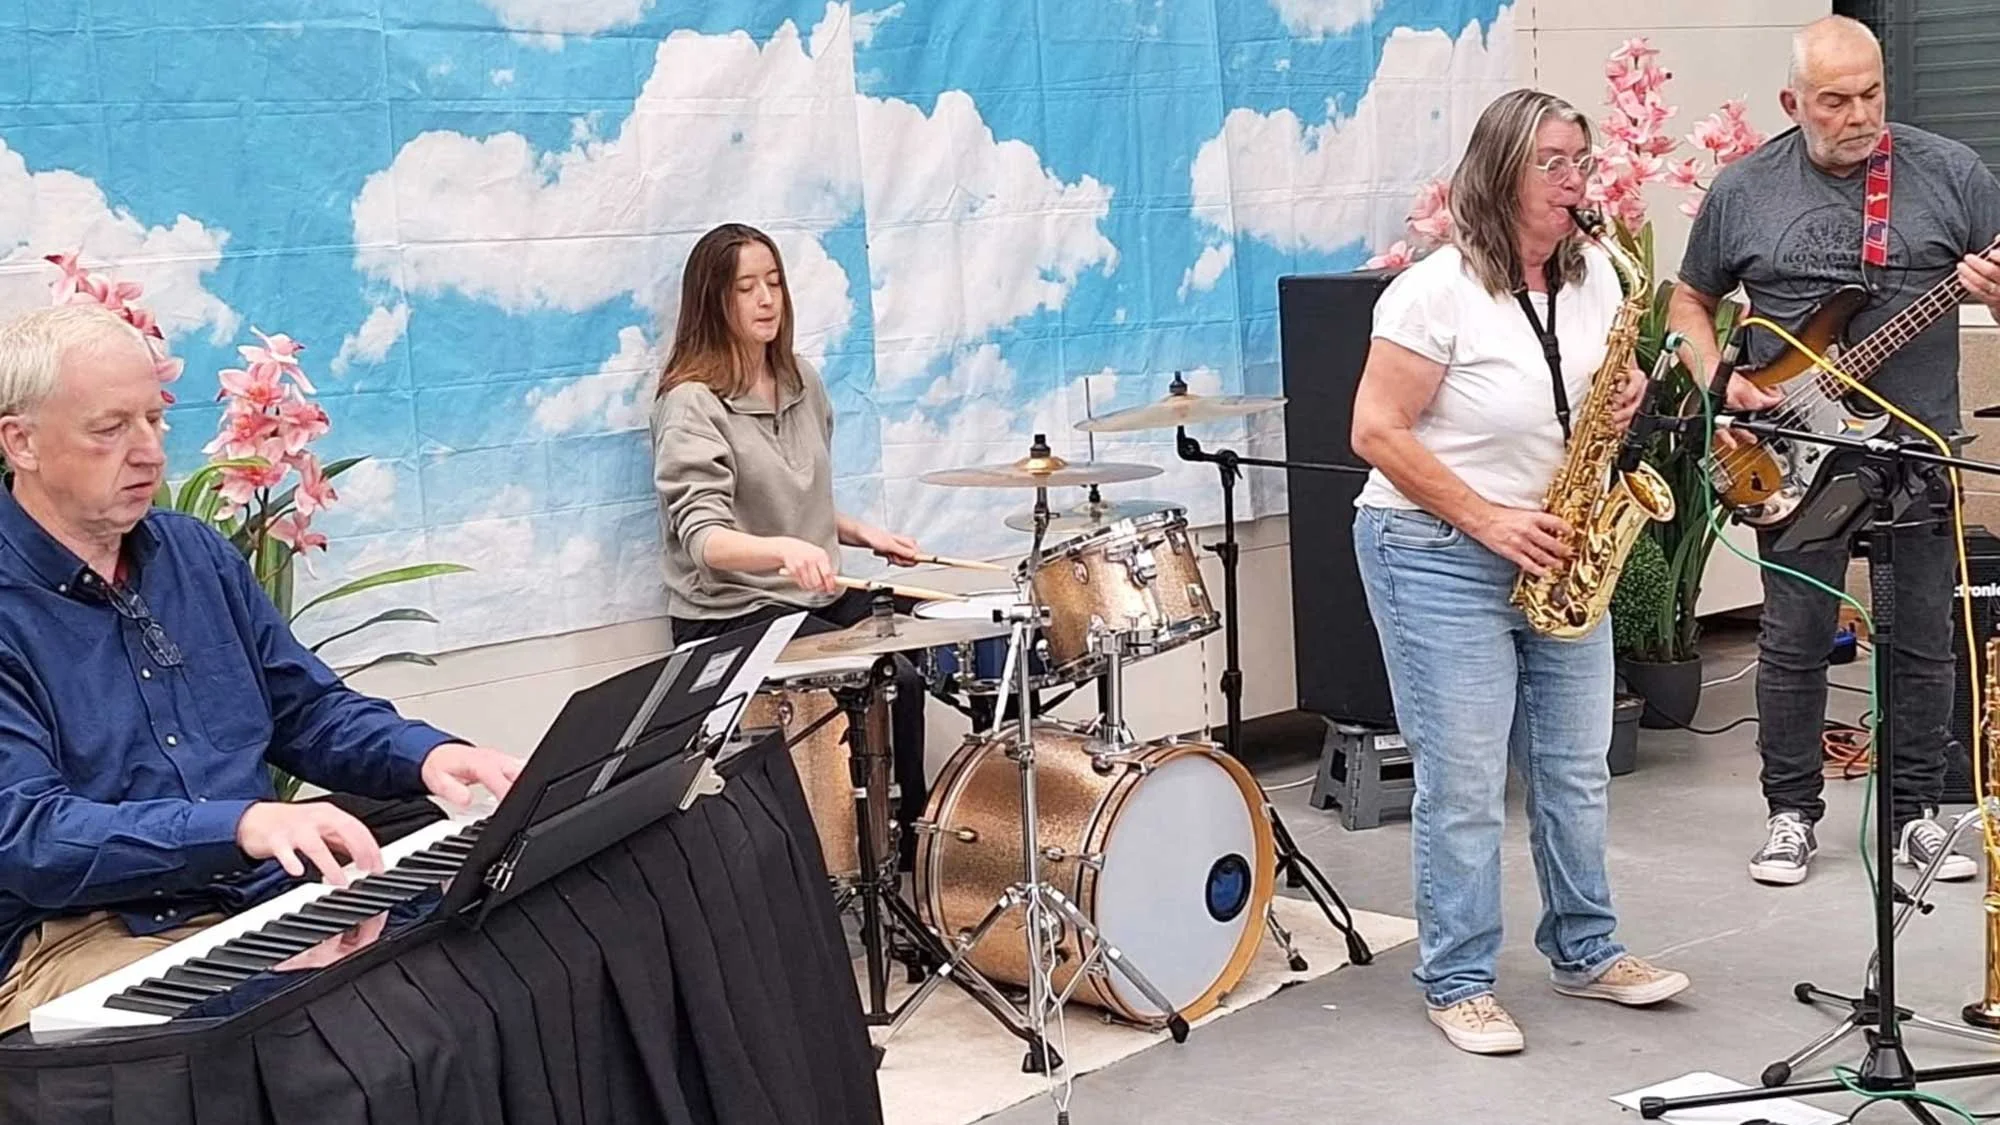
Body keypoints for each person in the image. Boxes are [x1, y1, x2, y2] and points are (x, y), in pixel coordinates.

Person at [0, 303, 520, 1033]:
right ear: (21, 442)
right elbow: (29, 834)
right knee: (323, 1029)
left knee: (488, 935)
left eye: (155, 419)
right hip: (81, 930)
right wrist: (238, 824)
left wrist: (430, 754)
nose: (149, 452)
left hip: (248, 890)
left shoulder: (195, 556)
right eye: (111, 428)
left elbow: (304, 711)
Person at [1349, 88, 1691, 1055]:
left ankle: (1586, 950)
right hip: (1435, 552)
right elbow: (1375, 430)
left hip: (1560, 543)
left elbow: (1588, 392)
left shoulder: (1599, 276)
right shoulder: (1433, 292)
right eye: (1552, 162)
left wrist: (1626, 392)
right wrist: (1489, 519)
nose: (1575, 179)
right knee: (1463, 783)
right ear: (1499, 172)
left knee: (1576, 768)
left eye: (1581, 159)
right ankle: (1457, 978)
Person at [1669, 15, 2000, 887]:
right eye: (1835, 101)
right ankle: (1790, 814)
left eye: (1872, 95)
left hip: (1917, 448)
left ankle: (1916, 816)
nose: (1859, 116)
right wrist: (1722, 381)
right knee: (1795, 636)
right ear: (1793, 103)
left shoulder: (1952, 173)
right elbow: (1689, 302)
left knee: (1923, 637)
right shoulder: (1746, 188)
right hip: (1794, 449)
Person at [651, 222, 931, 866]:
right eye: (745, 287)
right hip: (731, 614)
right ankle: (866, 854)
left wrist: (861, 533)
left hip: (810, 595)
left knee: (922, 648)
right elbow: (704, 539)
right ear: (712, 301)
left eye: (773, 283)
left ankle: (916, 844)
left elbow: (790, 498)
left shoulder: (802, 380)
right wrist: (783, 551)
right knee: (885, 678)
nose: (765, 299)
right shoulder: (691, 404)